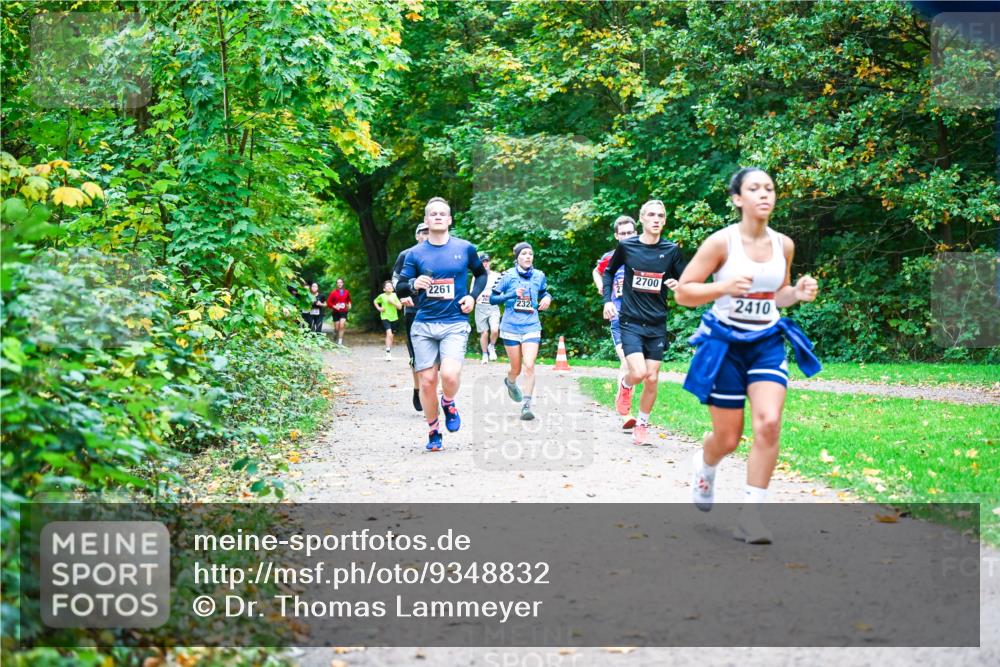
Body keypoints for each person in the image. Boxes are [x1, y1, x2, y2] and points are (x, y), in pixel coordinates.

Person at [675, 167, 820, 544]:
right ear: (738, 199)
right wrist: (721, 286)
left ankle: (751, 516)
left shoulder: (783, 245)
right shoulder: (721, 243)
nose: (764, 194)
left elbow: (778, 294)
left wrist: (797, 294)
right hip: (723, 345)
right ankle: (706, 465)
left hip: (766, 342)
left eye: (769, 188)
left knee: (769, 423)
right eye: (754, 188)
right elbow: (684, 292)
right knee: (728, 437)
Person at [396, 197, 488, 452]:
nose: (437, 217)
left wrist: (472, 296)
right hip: (423, 323)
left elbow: (481, 274)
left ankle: (448, 402)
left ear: (449, 220)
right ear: (426, 221)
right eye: (432, 214)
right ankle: (433, 429)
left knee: (448, 374)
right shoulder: (414, 254)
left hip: (454, 322)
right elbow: (400, 284)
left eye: (442, 214)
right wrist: (414, 285)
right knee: (426, 381)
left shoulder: (465, 248)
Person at [602, 200, 687, 446]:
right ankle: (625, 385)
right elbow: (608, 272)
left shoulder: (671, 250)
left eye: (660, 215)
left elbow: (687, 281)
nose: (656, 219)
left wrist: (679, 285)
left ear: (665, 220)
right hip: (630, 320)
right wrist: (607, 300)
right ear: (642, 219)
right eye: (651, 215)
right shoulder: (628, 247)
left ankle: (642, 423)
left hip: (657, 323)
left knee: (652, 378)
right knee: (638, 373)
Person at [490, 242, 552, 420]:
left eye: (530, 254)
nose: (527, 257)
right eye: (524, 254)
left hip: (531, 325)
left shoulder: (539, 275)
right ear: (517, 257)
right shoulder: (507, 275)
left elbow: (544, 292)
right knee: (515, 369)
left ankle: (526, 405)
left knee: (530, 365)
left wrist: (547, 298)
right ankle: (510, 382)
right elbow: (493, 299)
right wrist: (510, 295)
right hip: (510, 327)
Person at [592, 215, 638, 429]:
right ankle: (626, 413)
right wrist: (601, 286)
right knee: (628, 361)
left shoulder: (645, 255)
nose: (627, 237)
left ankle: (623, 397)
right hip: (619, 316)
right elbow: (596, 270)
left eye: (631, 232)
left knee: (633, 367)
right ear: (616, 236)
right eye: (623, 234)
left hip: (641, 318)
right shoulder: (609, 257)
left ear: (636, 233)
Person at [392, 222, 431, 411]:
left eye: (428, 232)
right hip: (413, 310)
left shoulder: (440, 254)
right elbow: (396, 280)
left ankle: (429, 391)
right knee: (416, 355)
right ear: (417, 236)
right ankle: (418, 389)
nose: (426, 235)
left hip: (436, 310)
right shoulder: (406, 255)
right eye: (422, 233)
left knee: (436, 357)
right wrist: (404, 296)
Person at [474, 252, 502, 365]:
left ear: (489, 262)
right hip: (480, 307)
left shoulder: (497, 276)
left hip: (493, 306)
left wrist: (496, 297)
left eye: (486, 261)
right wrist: (477, 296)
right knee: (484, 332)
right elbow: (473, 293)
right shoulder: (477, 277)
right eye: (482, 262)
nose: (485, 264)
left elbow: (501, 291)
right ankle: (485, 354)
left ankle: (491, 346)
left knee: (495, 329)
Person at [373, 280, 403, 360]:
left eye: (390, 286)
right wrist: (379, 308)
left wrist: (393, 302)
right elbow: (375, 301)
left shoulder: (395, 296)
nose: (389, 287)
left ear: (393, 288)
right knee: (389, 334)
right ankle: (388, 352)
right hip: (385, 317)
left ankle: (389, 351)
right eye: (387, 286)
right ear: (384, 289)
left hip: (394, 318)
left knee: (391, 336)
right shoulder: (382, 296)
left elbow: (400, 307)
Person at [326, 278, 352, 345]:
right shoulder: (333, 292)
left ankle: (340, 341)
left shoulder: (346, 292)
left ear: (343, 283)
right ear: (337, 284)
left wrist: (349, 304)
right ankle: (335, 333)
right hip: (336, 312)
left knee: (342, 325)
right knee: (337, 328)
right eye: (338, 282)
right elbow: (328, 302)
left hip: (344, 311)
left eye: (341, 282)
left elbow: (349, 300)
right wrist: (334, 306)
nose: (339, 284)